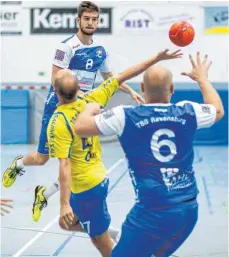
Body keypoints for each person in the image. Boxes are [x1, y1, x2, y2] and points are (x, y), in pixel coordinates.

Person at [2, 1, 143, 222]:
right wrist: (73, 100)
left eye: (94, 19)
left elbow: (110, 79)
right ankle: (18, 164)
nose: (91, 23)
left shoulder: (101, 51)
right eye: (86, 19)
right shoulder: (66, 47)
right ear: (78, 20)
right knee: (42, 159)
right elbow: (56, 79)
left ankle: (44, 194)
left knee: (77, 162)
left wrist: (131, 92)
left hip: (82, 110)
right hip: (59, 108)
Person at [74, 52, 224, 257]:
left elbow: (81, 127)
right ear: (172, 90)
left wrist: (90, 106)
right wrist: (202, 79)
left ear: (142, 89)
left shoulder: (125, 115)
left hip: (152, 213)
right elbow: (217, 110)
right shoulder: (187, 111)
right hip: (188, 211)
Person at [48, 49, 182, 257]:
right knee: (67, 223)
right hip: (94, 180)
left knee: (102, 244)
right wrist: (156, 58)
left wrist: (64, 203)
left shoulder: (57, 122)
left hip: (87, 187)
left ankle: (112, 238)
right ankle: (112, 232)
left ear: (55, 91)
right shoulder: (91, 99)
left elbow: (64, 165)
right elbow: (123, 75)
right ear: (78, 88)